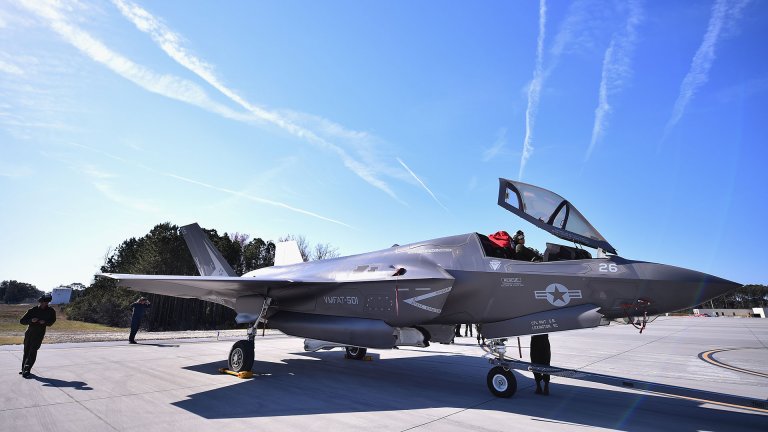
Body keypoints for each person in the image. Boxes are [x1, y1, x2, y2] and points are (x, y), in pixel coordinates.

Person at [19, 294, 56, 377]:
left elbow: (52, 321)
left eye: (47, 302)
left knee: (33, 351)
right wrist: (31, 320)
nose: (45, 303)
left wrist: (45, 322)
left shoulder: (51, 311)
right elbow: (22, 321)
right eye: (44, 302)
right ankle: (23, 369)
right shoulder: (32, 310)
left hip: (39, 334)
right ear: (40, 301)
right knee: (26, 351)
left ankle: (27, 370)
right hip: (29, 333)